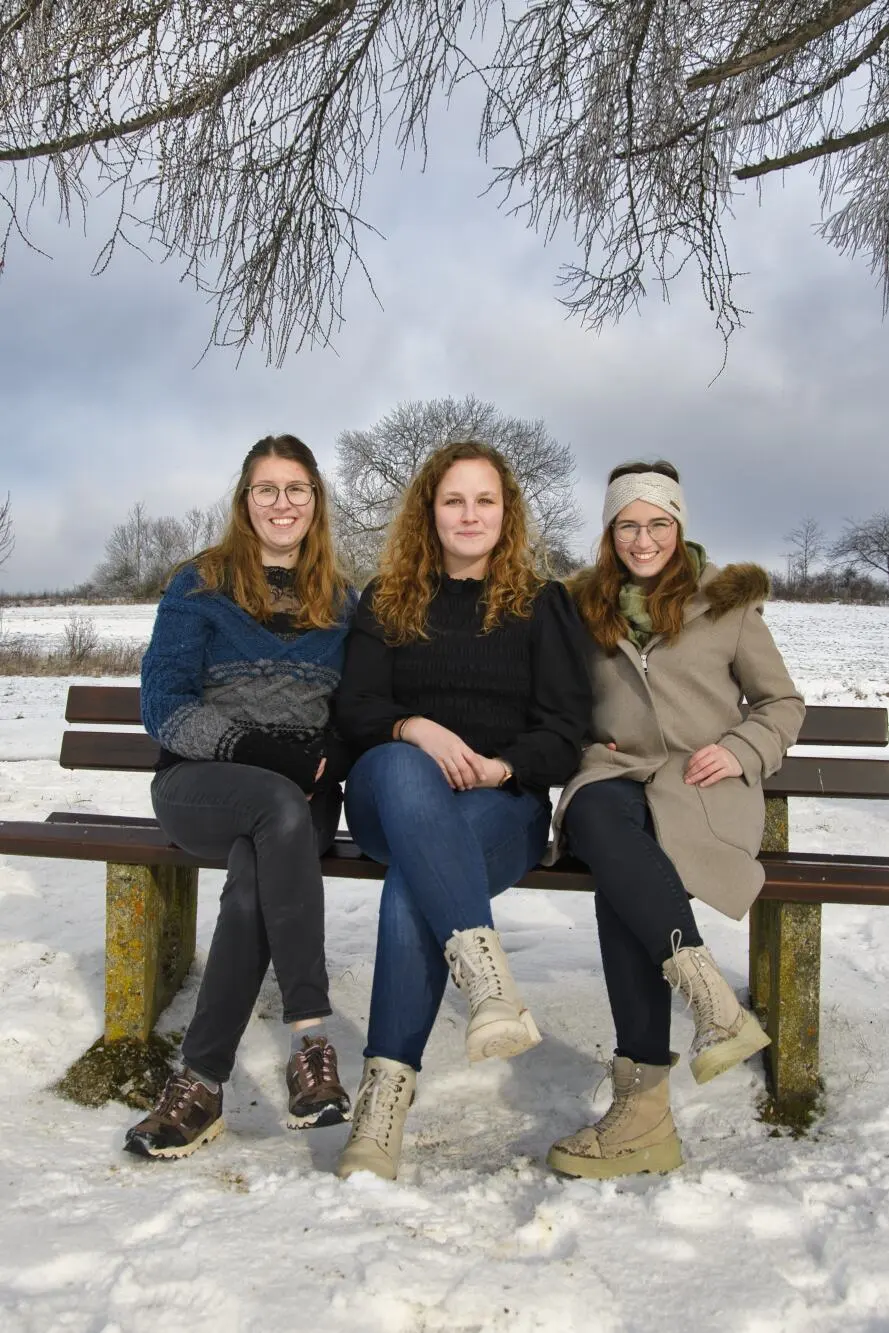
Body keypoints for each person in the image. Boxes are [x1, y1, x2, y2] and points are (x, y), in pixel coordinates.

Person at [333, 440, 591, 1181]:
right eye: (454, 500)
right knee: (404, 769)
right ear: (429, 511)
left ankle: (381, 1105)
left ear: (506, 514)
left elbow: (564, 731)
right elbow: (356, 709)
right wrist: (415, 728)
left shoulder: (543, 606)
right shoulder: (387, 598)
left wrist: (502, 765)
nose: (469, 514)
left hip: (499, 810)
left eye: (484, 500)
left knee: (416, 883)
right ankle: (488, 982)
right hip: (390, 794)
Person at [545, 460, 805, 1180]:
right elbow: (558, 703)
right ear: (608, 531)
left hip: (700, 789)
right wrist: (581, 744)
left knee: (621, 875)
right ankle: (711, 1005)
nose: (642, 537)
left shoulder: (727, 605)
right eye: (627, 523)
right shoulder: (579, 608)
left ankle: (645, 1109)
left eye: (657, 522)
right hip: (617, 777)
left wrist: (740, 747)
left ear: (678, 526)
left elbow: (781, 704)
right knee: (597, 815)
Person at [125, 434, 357, 1160]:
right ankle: (310, 1039)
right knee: (272, 807)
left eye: (296, 489)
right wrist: (260, 751)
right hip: (202, 784)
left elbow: (360, 707)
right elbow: (163, 701)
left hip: (301, 796)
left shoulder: (344, 600)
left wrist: (330, 756)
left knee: (263, 864)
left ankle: (198, 1082)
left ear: (315, 500)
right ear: (244, 500)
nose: (281, 503)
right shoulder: (199, 584)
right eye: (266, 489)